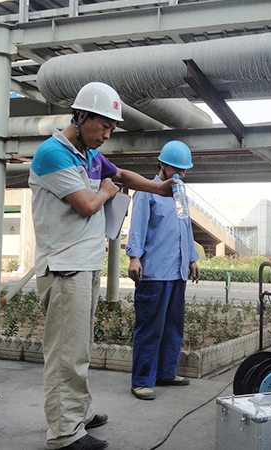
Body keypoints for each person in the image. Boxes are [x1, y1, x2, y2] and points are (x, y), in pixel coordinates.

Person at [29, 82, 175, 450]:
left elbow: (121, 175)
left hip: (84, 265)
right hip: (64, 269)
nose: (108, 134)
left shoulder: (89, 155)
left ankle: (79, 411)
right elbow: (87, 205)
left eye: (113, 128)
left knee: (79, 348)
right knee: (66, 353)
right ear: (81, 116)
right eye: (104, 126)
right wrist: (108, 191)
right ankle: (64, 432)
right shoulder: (53, 154)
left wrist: (159, 189)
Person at [126, 140, 200, 401]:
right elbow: (138, 226)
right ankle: (142, 380)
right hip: (154, 273)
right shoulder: (146, 193)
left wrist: (192, 259)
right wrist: (134, 257)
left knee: (173, 326)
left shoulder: (180, 194)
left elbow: (185, 228)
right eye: (176, 169)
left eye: (185, 170)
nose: (181, 174)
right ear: (163, 165)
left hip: (177, 272)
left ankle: (166, 372)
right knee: (150, 327)